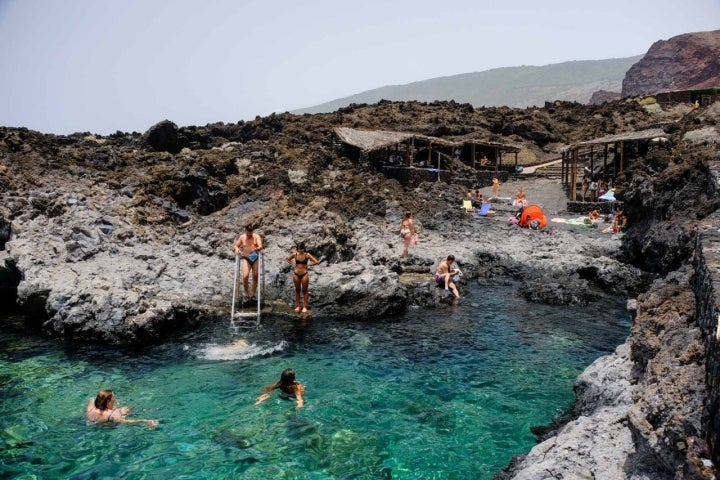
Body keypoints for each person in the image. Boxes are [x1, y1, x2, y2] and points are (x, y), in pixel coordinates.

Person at [86, 390, 159, 428]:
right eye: (113, 397)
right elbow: (126, 422)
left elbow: (92, 398)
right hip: (109, 426)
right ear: (108, 401)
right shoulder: (112, 415)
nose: (115, 399)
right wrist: (145, 421)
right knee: (126, 409)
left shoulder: (91, 406)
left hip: (95, 423)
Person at [287, 242, 320, 313]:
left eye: (301, 249)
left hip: (304, 274)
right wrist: (293, 264)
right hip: (296, 274)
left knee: (305, 291)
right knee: (297, 290)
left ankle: (305, 306)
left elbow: (317, 262)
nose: (300, 250)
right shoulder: (295, 254)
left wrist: (308, 265)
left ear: (304, 248)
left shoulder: (307, 255)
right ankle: (298, 306)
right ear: (297, 249)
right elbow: (288, 259)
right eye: (299, 249)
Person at [234, 224, 263, 299]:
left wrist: (255, 249)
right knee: (245, 276)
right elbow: (236, 245)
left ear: (252, 231)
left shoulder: (256, 236)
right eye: (248, 233)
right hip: (246, 258)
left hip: (254, 258)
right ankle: (246, 293)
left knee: (255, 275)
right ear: (245, 231)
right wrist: (237, 249)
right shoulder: (242, 237)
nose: (249, 234)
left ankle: (253, 294)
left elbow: (260, 246)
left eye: (251, 233)